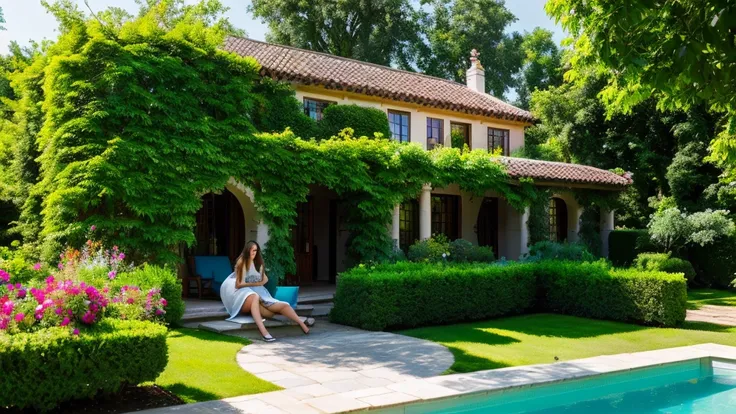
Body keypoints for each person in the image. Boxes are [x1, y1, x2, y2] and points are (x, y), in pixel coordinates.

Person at [220, 240, 314, 342]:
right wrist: (256, 284)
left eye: (255, 251)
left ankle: (301, 322)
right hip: (244, 293)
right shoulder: (242, 261)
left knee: (283, 306)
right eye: (251, 250)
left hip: (260, 293)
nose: (253, 253)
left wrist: (259, 283)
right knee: (255, 297)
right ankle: (264, 332)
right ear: (247, 250)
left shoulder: (257, 263)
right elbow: (238, 284)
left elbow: (265, 279)